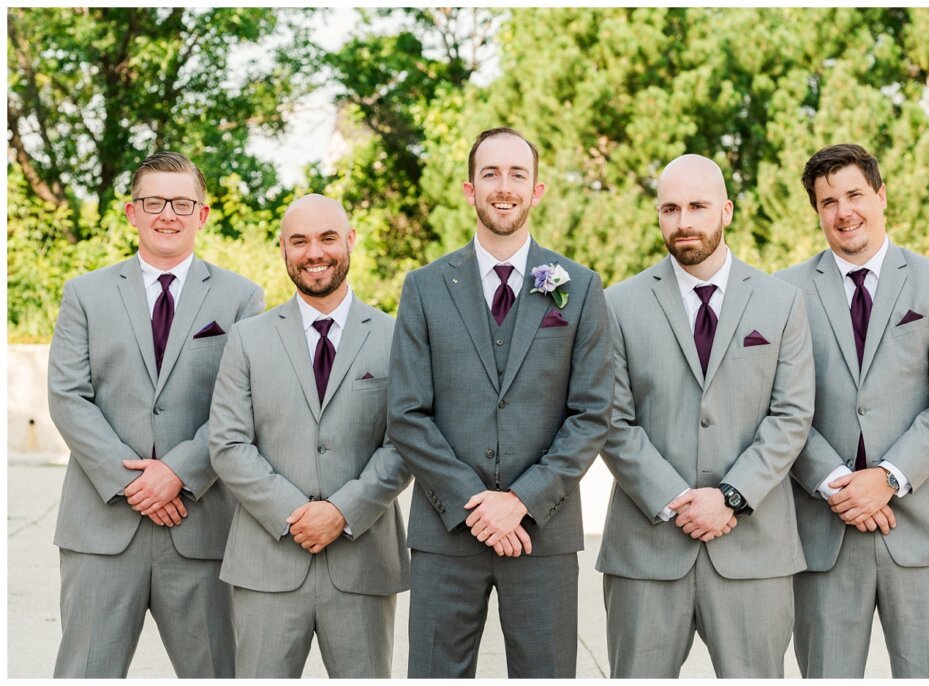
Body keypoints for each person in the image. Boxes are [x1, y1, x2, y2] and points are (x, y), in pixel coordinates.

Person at [387, 127, 612, 678]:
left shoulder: (578, 287)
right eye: (490, 174)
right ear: (470, 189)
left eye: (517, 175)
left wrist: (520, 500)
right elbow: (407, 414)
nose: (504, 187)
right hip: (446, 532)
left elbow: (590, 414)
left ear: (538, 190)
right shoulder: (424, 286)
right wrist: (475, 502)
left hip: (545, 529)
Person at [597, 154, 815, 677]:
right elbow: (611, 419)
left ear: (727, 210)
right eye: (670, 209)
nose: (684, 221)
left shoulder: (782, 302)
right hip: (646, 552)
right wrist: (677, 501)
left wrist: (731, 498)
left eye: (697, 206)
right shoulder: (617, 304)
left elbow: (791, 415)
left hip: (753, 553)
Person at [47, 151, 264, 677]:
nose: (168, 213)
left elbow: (244, 404)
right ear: (131, 211)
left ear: (202, 214)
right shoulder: (85, 294)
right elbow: (67, 395)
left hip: (201, 526)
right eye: (154, 202)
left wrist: (178, 473)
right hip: (101, 529)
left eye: (182, 203)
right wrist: (133, 484)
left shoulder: (242, 298)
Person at [776, 143, 929, 678]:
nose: (844, 212)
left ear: (880, 195)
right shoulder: (784, 293)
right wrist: (839, 485)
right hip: (826, 529)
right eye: (828, 202)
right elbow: (780, 406)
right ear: (817, 211)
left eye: (854, 195)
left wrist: (887, 478)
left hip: (924, 529)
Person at [208, 194, 410, 678]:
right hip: (267, 563)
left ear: (350, 241)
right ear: (282, 248)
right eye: (299, 241)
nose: (313, 252)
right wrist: (295, 514)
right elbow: (229, 443)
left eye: (326, 238)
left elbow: (406, 441)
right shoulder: (247, 338)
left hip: (362, 563)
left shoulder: (396, 335)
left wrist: (341, 512)